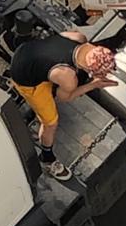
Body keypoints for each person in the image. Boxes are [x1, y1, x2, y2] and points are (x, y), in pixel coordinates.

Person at [9, 31, 117, 180]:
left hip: (26, 51)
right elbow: (65, 97)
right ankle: (47, 158)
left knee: (59, 78)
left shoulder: (78, 38)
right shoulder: (67, 76)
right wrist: (94, 85)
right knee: (51, 122)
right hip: (27, 80)